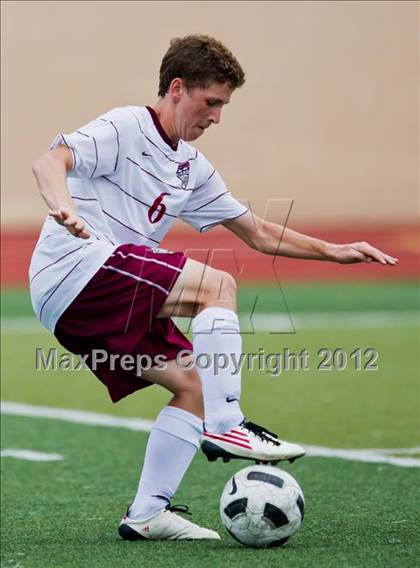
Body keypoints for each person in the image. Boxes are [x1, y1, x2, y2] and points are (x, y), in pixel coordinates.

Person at [30, 35, 398, 542]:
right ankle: (229, 424)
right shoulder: (126, 126)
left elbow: (259, 232)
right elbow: (50, 161)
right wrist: (63, 206)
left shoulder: (191, 169)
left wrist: (333, 251)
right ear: (177, 88)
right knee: (216, 284)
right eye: (212, 103)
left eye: (223, 105)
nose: (217, 117)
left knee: (198, 386)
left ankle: (146, 514)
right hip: (77, 267)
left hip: (83, 298)